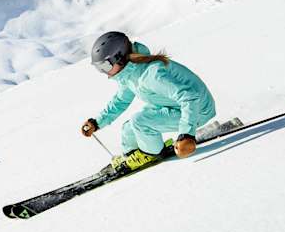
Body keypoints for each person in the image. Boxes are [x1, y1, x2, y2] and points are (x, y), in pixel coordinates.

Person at [80, 31, 216, 173]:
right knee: (129, 127)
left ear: (119, 59)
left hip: (198, 110)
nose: (103, 72)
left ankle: (151, 153)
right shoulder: (130, 74)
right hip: (176, 106)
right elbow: (120, 101)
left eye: (105, 66)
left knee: (140, 121)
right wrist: (97, 123)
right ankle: (132, 155)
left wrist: (187, 135)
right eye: (98, 68)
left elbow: (189, 96)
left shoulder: (151, 75)